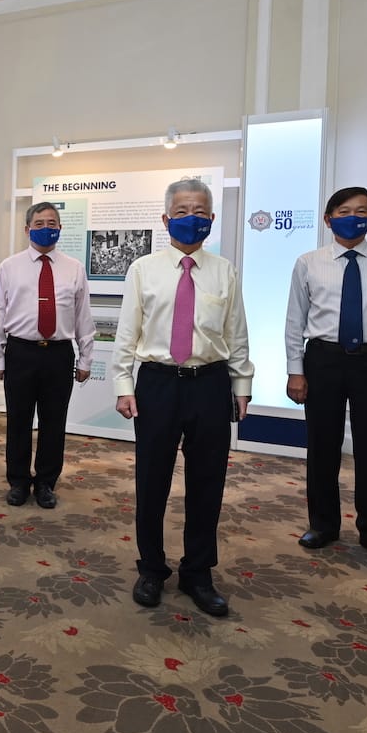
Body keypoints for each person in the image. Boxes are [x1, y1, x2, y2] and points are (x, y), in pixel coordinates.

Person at [113, 178, 253, 618]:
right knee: (151, 480)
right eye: (181, 211)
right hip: (157, 383)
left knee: (208, 482)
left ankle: (198, 572)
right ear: (165, 218)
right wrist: (123, 385)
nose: (191, 219)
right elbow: (127, 332)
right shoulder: (143, 269)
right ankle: (151, 568)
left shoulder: (224, 271)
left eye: (199, 212)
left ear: (211, 219)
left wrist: (241, 385)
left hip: (210, 383)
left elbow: (236, 334)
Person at [285, 186, 367, 566]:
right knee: (322, 447)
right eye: (344, 211)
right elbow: (294, 322)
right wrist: (295, 370)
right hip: (323, 360)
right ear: (328, 219)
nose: (353, 217)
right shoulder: (308, 263)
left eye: (362, 211)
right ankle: (323, 525)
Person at [0, 202, 95, 509]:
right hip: (20, 352)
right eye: (39, 223)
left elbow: (83, 316)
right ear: (27, 229)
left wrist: (86, 358)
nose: (46, 228)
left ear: (60, 228)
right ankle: (18, 481)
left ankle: (46, 482)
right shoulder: (9, 267)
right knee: (18, 420)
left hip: (59, 354)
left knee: (54, 421)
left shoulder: (74, 268)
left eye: (52, 223)